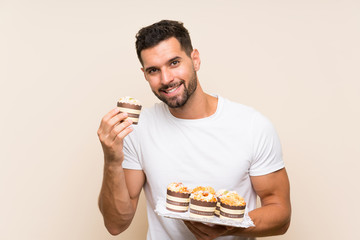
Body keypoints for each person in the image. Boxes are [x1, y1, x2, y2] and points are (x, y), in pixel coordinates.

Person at [97, 20, 291, 240]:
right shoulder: (138, 129)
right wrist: (111, 159)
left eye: (174, 63)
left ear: (195, 59)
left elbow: (281, 214)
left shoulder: (252, 126)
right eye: (153, 70)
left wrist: (231, 227)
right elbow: (116, 224)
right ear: (144, 74)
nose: (166, 79)